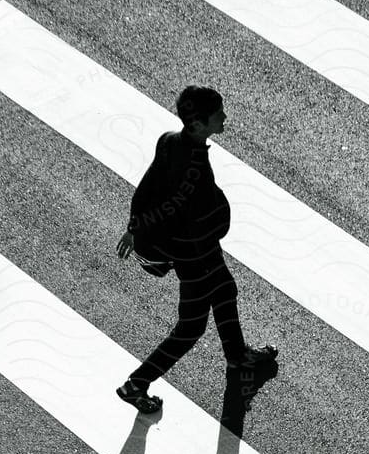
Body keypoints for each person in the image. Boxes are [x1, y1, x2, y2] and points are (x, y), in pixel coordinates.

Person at [115, 86, 276, 415]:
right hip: (195, 254)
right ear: (200, 124)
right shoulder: (194, 166)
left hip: (197, 250)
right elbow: (190, 211)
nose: (225, 117)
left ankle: (237, 356)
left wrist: (134, 228)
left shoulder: (169, 140)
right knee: (190, 328)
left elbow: (145, 188)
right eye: (219, 114)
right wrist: (213, 228)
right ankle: (136, 383)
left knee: (226, 290)